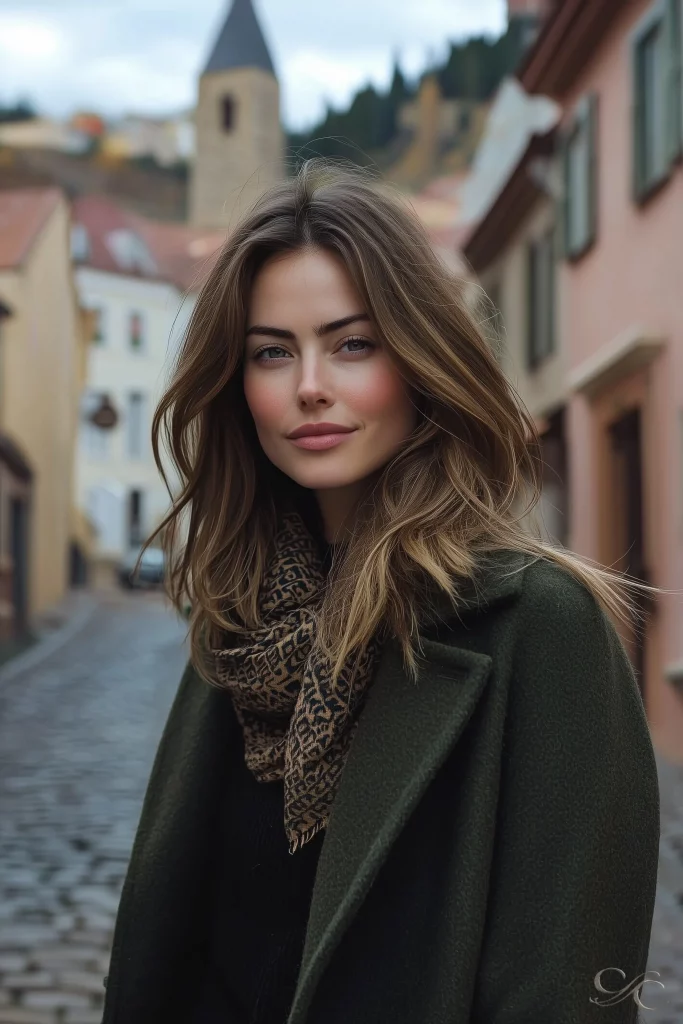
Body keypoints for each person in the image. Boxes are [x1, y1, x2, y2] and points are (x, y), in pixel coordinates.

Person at [101, 159, 661, 1024]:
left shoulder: (541, 627)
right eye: (271, 353)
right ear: (236, 385)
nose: (309, 384)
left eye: (351, 343)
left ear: (420, 359)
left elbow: (567, 993)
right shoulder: (235, 625)